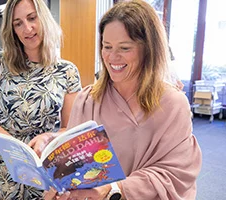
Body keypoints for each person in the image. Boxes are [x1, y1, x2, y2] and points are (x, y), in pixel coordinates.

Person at [43, 1, 202, 200]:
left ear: (148, 50)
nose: (112, 57)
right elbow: (76, 168)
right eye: (107, 47)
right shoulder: (87, 100)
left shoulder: (172, 104)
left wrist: (115, 188)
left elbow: (175, 173)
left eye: (124, 48)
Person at [0, 0, 82, 199]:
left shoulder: (67, 71)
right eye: (17, 23)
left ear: (44, 18)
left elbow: (68, 129)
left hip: (41, 168)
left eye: (32, 18)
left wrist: (48, 137)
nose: (27, 29)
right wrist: (5, 137)